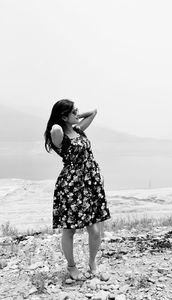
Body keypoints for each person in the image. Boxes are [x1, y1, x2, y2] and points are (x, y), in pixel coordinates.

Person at [44, 99, 111, 280]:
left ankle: (92, 263)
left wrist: (76, 116)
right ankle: (72, 266)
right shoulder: (60, 136)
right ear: (64, 116)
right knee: (70, 230)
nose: (77, 113)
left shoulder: (79, 130)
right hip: (71, 186)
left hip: (90, 183)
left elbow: (93, 112)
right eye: (74, 112)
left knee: (95, 230)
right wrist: (60, 122)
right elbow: (55, 131)